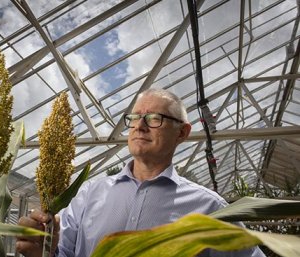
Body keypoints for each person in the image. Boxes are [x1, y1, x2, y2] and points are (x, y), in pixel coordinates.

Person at [16, 88, 265, 257]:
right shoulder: (90, 193)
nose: (140, 126)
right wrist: (45, 248)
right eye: (135, 117)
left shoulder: (210, 208)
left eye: (155, 118)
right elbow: (61, 253)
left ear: (182, 133)